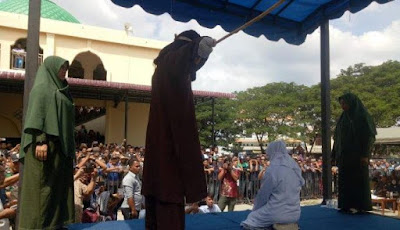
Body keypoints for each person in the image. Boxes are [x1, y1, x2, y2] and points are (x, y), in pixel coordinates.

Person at [142, 30, 215, 230]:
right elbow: (181, 59)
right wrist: (197, 46)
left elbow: (185, 62)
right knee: (168, 197)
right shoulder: (170, 63)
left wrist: (198, 53)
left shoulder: (164, 69)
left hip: (160, 150)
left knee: (157, 200)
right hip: (169, 150)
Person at [18, 56, 75, 229]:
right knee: (42, 189)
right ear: (51, 68)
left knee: (57, 189)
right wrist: (40, 140)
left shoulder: (62, 90)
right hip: (44, 146)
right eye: (61, 68)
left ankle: (53, 224)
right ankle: (37, 226)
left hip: (59, 147)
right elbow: (38, 113)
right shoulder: (42, 89)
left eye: (66, 68)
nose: (64, 71)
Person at [241, 140, 305, 230]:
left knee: (250, 220)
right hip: (295, 214)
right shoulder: (294, 167)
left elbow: (263, 195)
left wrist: (256, 209)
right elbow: (302, 183)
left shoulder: (273, 169)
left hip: (277, 213)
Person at [332, 93, 376, 214]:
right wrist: (334, 155)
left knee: (357, 181)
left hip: (358, 156)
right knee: (345, 181)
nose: (343, 106)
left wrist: (365, 154)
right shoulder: (343, 117)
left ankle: (359, 205)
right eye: (341, 104)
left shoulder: (362, 116)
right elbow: (337, 137)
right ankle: (345, 205)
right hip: (344, 157)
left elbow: (369, 136)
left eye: (344, 103)